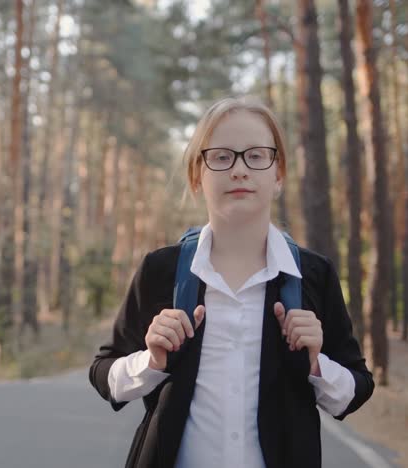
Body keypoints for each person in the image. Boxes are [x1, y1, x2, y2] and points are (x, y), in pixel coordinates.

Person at [89, 95, 374, 468]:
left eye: (256, 156)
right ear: (197, 175)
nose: (239, 170)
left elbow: (356, 390)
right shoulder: (162, 270)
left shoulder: (312, 275)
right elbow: (105, 374)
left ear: (279, 175)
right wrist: (152, 361)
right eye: (221, 157)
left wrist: (317, 364)